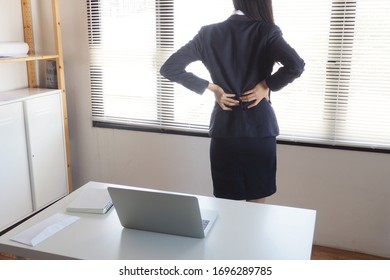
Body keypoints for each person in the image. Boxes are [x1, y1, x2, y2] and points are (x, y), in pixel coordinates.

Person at [160, 0, 304, 203]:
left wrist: (212, 88)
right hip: (259, 131)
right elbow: (296, 65)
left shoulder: (207, 33)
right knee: (257, 206)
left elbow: (169, 68)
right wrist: (266, 85)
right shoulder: (267, 31)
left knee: (227, 206)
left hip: (225, 130)